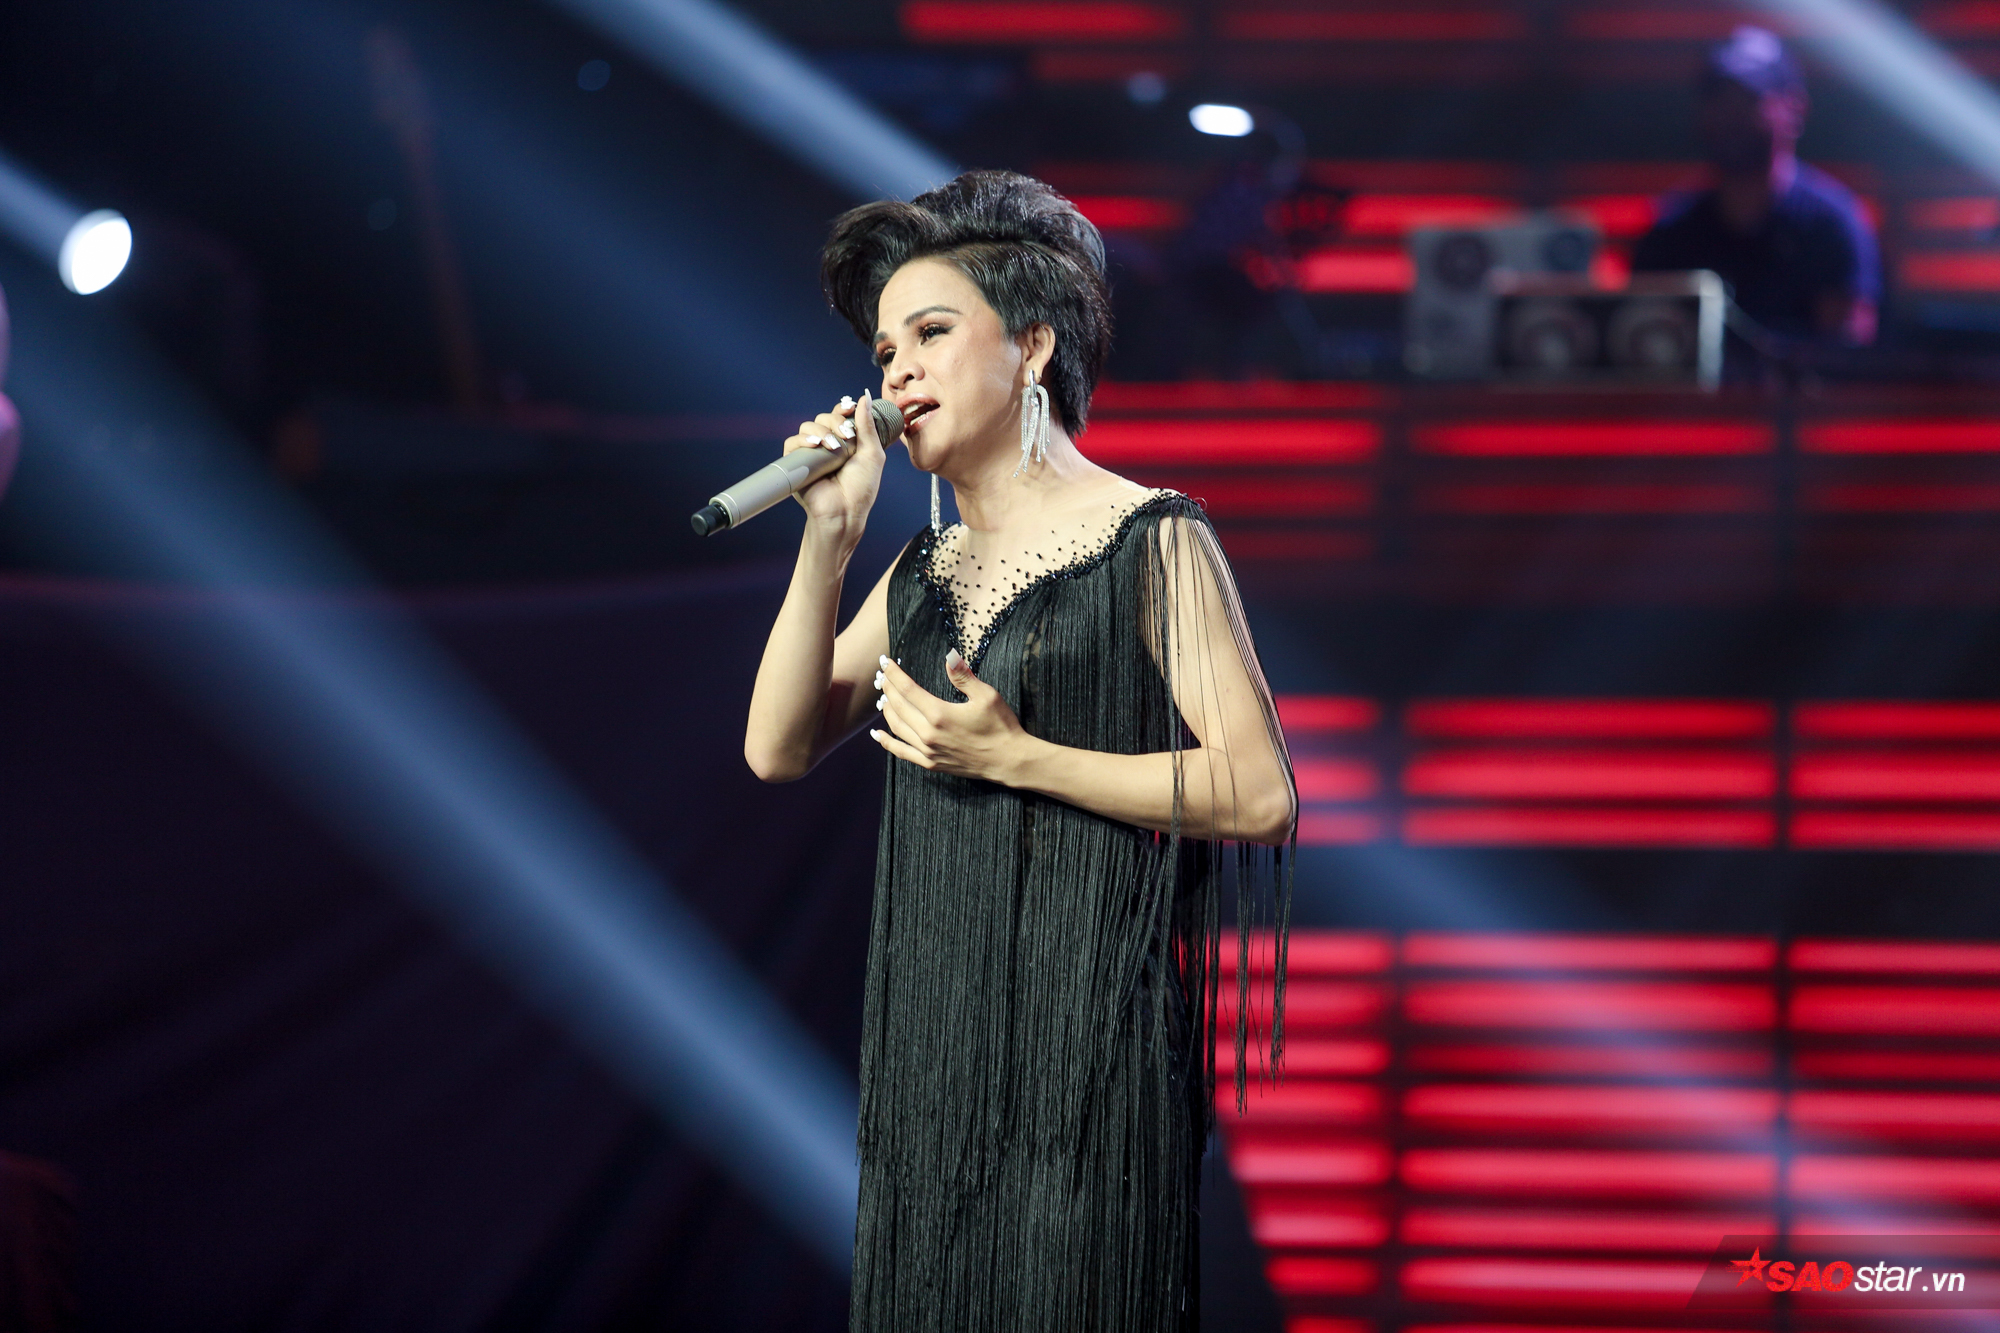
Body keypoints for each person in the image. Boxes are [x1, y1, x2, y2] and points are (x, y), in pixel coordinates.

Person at [743, 170, 1297, 1331]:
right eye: (884, 347)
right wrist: (828, 539)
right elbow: (775, 749)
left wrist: (1016, 756)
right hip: (934, 1053)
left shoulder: (1151, 538)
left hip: (1087, 1057)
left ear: (1032, 346)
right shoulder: (921, 571)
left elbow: (1256, 791)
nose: (896, 372)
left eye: (930, 333)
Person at [1632, 26, 1880, 347]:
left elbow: (1846, 354)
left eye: (1746, 100)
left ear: (1794, 109)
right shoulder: (1671, 231)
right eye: (1718, 100)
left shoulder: (1829, 225)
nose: (1728, 116)